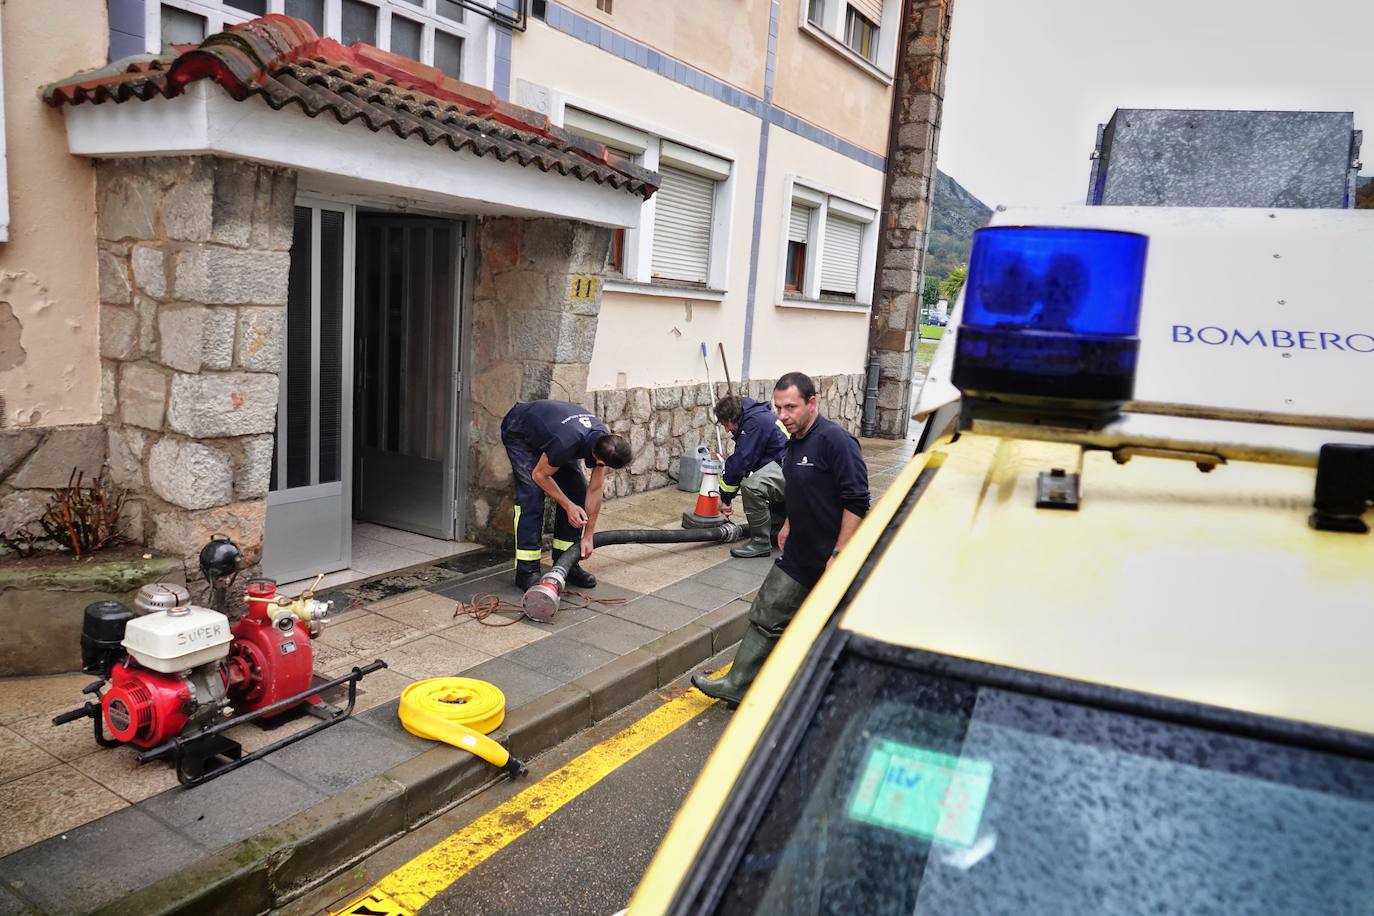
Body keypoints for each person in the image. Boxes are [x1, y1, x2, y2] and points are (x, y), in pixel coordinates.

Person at [693, 372, 869, 706]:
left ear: (812, 403)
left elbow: (857, 501)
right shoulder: (794, 441)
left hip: (833, 555)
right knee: (766, 612)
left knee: (834, 629)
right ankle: (738, 684)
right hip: (799, 552)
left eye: (791, 407)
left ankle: (833, 697)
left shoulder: (836, 442)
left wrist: (841, 551)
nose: (783, 415)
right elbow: (797, 488)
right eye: (779, 407)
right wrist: (787, 524)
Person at [501, 399, 632, 591]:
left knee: (576, 490)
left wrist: (588, 536)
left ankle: (566, 563)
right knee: (532, 496)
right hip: (520, 430)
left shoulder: (606, 441)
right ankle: (526, 571)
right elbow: (539, 475)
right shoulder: (566, 443)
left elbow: (594, 490)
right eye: (603, 465)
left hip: (554, 434)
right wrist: (568, 505)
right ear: (598, 458)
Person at [713, 394, 789, 559]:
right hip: (787, 467)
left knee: (753, 485)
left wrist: (725, 497)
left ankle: (760, 543)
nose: (726, 430)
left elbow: (740, 462)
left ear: (733, 417)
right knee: (759, 478)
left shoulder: (754, 424)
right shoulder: (755, 416)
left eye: (725, 424)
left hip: (790, 471)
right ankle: (775, 527)